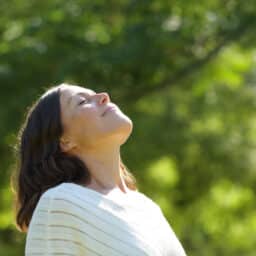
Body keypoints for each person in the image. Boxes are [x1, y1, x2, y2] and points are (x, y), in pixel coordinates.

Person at [11, 83, 187, 255]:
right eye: (82, 101)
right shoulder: (59, 203)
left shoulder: (148, 208)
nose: (104, 96)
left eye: (94, 94)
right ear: (65, 141)